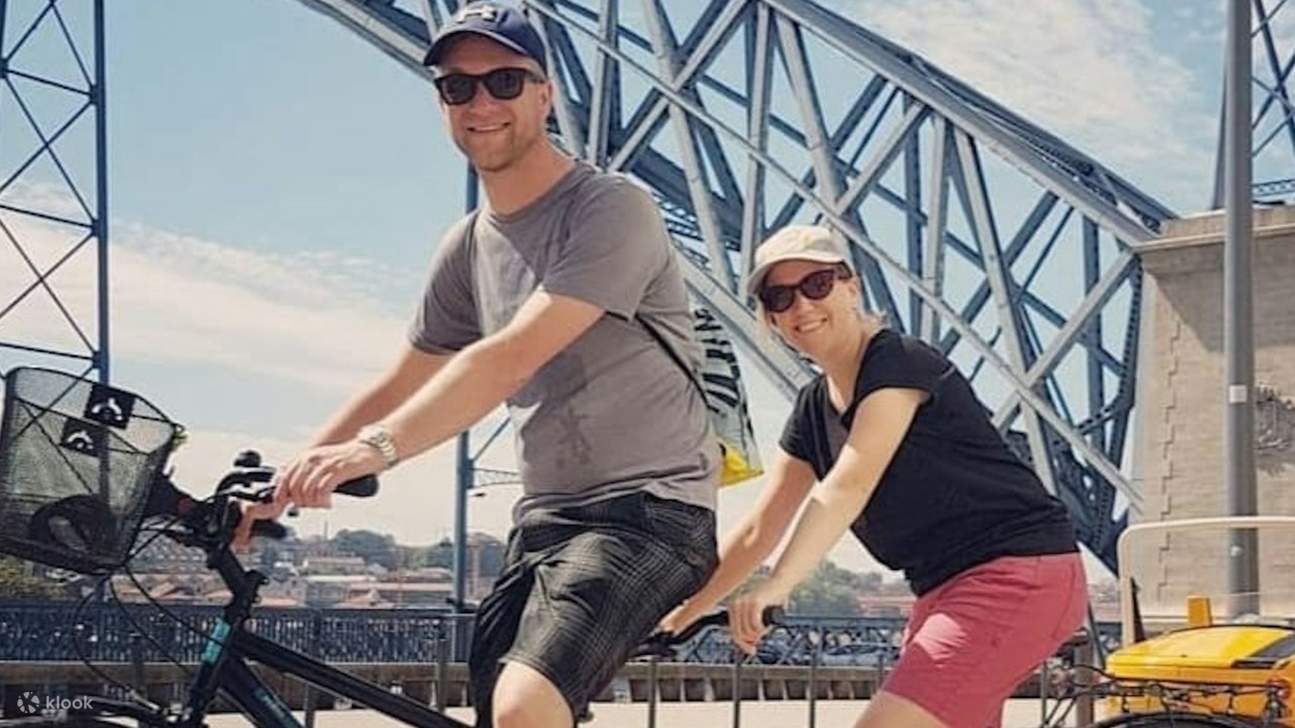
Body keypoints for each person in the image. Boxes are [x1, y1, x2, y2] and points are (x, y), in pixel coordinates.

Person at [238, 3, 718, 727]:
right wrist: (281, 484)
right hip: (546, 518)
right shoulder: (465, 246)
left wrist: (375, 451)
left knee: (527, 707)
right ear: (441, 104)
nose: (481, 103)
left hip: (651, 511)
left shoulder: (609, 207)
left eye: (504, 80)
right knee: (499, 713)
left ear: (544, 94)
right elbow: (403, 378)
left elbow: (512, 354)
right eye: (457, 88)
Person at [660, 225, 1088, 728]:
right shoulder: (813, 409)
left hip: (1017, 576)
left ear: (851, 286)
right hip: (942, 591)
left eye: (817, 284)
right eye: (779, 297)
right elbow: (759, 529)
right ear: (770, 318)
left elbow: (848, 484)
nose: (801, 306)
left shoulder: (898, 362)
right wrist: (680, 615)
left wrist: (779, 584)